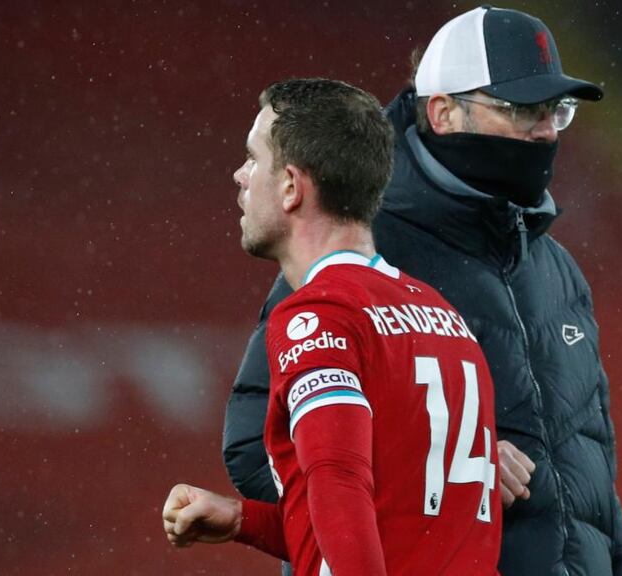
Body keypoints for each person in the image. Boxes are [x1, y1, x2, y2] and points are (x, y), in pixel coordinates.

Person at [224, 6, 622, 576]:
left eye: (557, 111)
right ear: (443, 112)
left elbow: (590, 475)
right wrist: (447, 468)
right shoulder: (361, 247)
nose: (546, 131)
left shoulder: (557, 270)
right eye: (522, 110)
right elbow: (259, 446)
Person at [164, 78, 502, 575]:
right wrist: (242, 519)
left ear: (291, 187)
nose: (240, 175)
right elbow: (400, 529)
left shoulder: (319, 315)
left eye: (254, 158)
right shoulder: (441, 317)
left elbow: (338, 480)